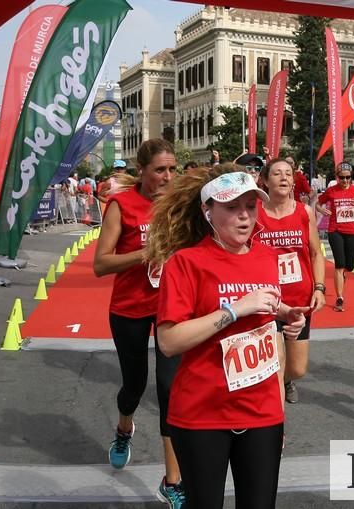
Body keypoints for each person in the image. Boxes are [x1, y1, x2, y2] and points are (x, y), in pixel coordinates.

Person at [146, 165, 308, 509]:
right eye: (232, 208)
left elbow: (266, 323)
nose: (245, 216)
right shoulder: (186, 263)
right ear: (208, 212)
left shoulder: (267, 258)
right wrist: (235, 310)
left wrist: (286, 315)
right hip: (203, 413)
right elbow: (169, 341)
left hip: (261, 411)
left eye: (250, 206)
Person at [92, 139, 184, 508]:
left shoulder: (179, 204)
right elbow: (101, 264)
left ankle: (172, 480)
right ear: (141, 170)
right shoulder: (122, 205)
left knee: (170, 390)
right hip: (129, 306)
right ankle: (123, 428)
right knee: (134, 385)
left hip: (170, 307)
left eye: (172, 169)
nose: (167, 176)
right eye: (160, 170)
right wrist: (145, 253)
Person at [256, 158, 326, 405]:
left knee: (297, 368)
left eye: (288, 173)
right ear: (265, 180)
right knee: (275, 362)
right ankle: (272, 425)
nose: (284, 178)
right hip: (267, 301)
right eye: (277, 174)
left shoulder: (304, 212)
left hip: (299, 301)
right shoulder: (254, 213)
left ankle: (286, 380)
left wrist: (319, 288)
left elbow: (316, 253)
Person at [315, 162, 354, 311]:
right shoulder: (332, 191)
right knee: (339, 264)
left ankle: (342, 275)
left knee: (349, 266)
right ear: (337, 177)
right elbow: (318, 203)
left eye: (348, 178)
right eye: (342, 178)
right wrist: (322, 211)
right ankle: (340, 298)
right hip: (335, 230)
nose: (345, 181)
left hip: (352, 231)